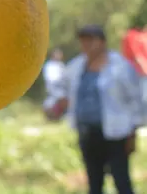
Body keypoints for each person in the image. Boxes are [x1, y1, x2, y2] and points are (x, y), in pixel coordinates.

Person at [49, 24, 144, 194]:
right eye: (83, 41)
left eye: (90, 41)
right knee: (94, 181)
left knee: (121, 180)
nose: (86, 45)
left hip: (116, 134)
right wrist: (58, 104)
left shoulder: (120, 66)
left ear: (102, 42)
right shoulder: (76, 66)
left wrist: (133, 132)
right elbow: (60, 88)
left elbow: (135, 100)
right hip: (88, 133)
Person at [42, 48, 65, 119]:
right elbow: (50, 78)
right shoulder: (49, 65)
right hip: (53, 86)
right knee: (51, 101)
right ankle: (49, 115)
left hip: (61, 87)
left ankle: (57, 116)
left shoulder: (61, 65)